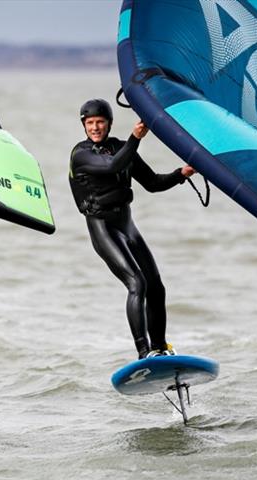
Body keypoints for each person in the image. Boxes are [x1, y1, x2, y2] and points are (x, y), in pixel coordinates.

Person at [68, 98, 195, 359]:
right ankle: (143, 353)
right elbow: (113, 166)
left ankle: (160, 348)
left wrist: (182, 173)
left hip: (127, 225)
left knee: (156, 286)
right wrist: (135, 138)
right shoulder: (80, 154)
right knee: (136, 283)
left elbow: (152, 183)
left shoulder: (119, 147)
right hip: (103, 228)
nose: (95, 127)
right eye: (90, 123)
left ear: (109, 124)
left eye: (100, 122)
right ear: (84, 126)